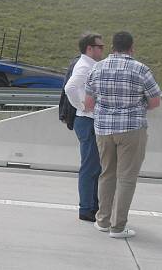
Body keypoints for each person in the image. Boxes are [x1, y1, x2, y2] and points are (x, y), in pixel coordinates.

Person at [85, 31, 161, 239]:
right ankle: (118, 227)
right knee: (126, 178)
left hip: (103, 130)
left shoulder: (97, 68)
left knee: (106, 174)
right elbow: (155, 101)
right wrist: (137, 106)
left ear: (112, 47)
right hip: (131, 129)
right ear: (132, 47)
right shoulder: (141, 69)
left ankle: (102, 221)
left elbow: (89, 104)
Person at [64, 32, 105, 222]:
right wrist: (82, 106)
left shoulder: (90, 65)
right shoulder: (84, 67)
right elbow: (70, 88)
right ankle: (87, 208)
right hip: (87, 120)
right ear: (90, 48)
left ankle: (92, 206)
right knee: (90, 167)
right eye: (100, 47)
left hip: (88, 120)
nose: (102, 49)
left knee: (94, 166)